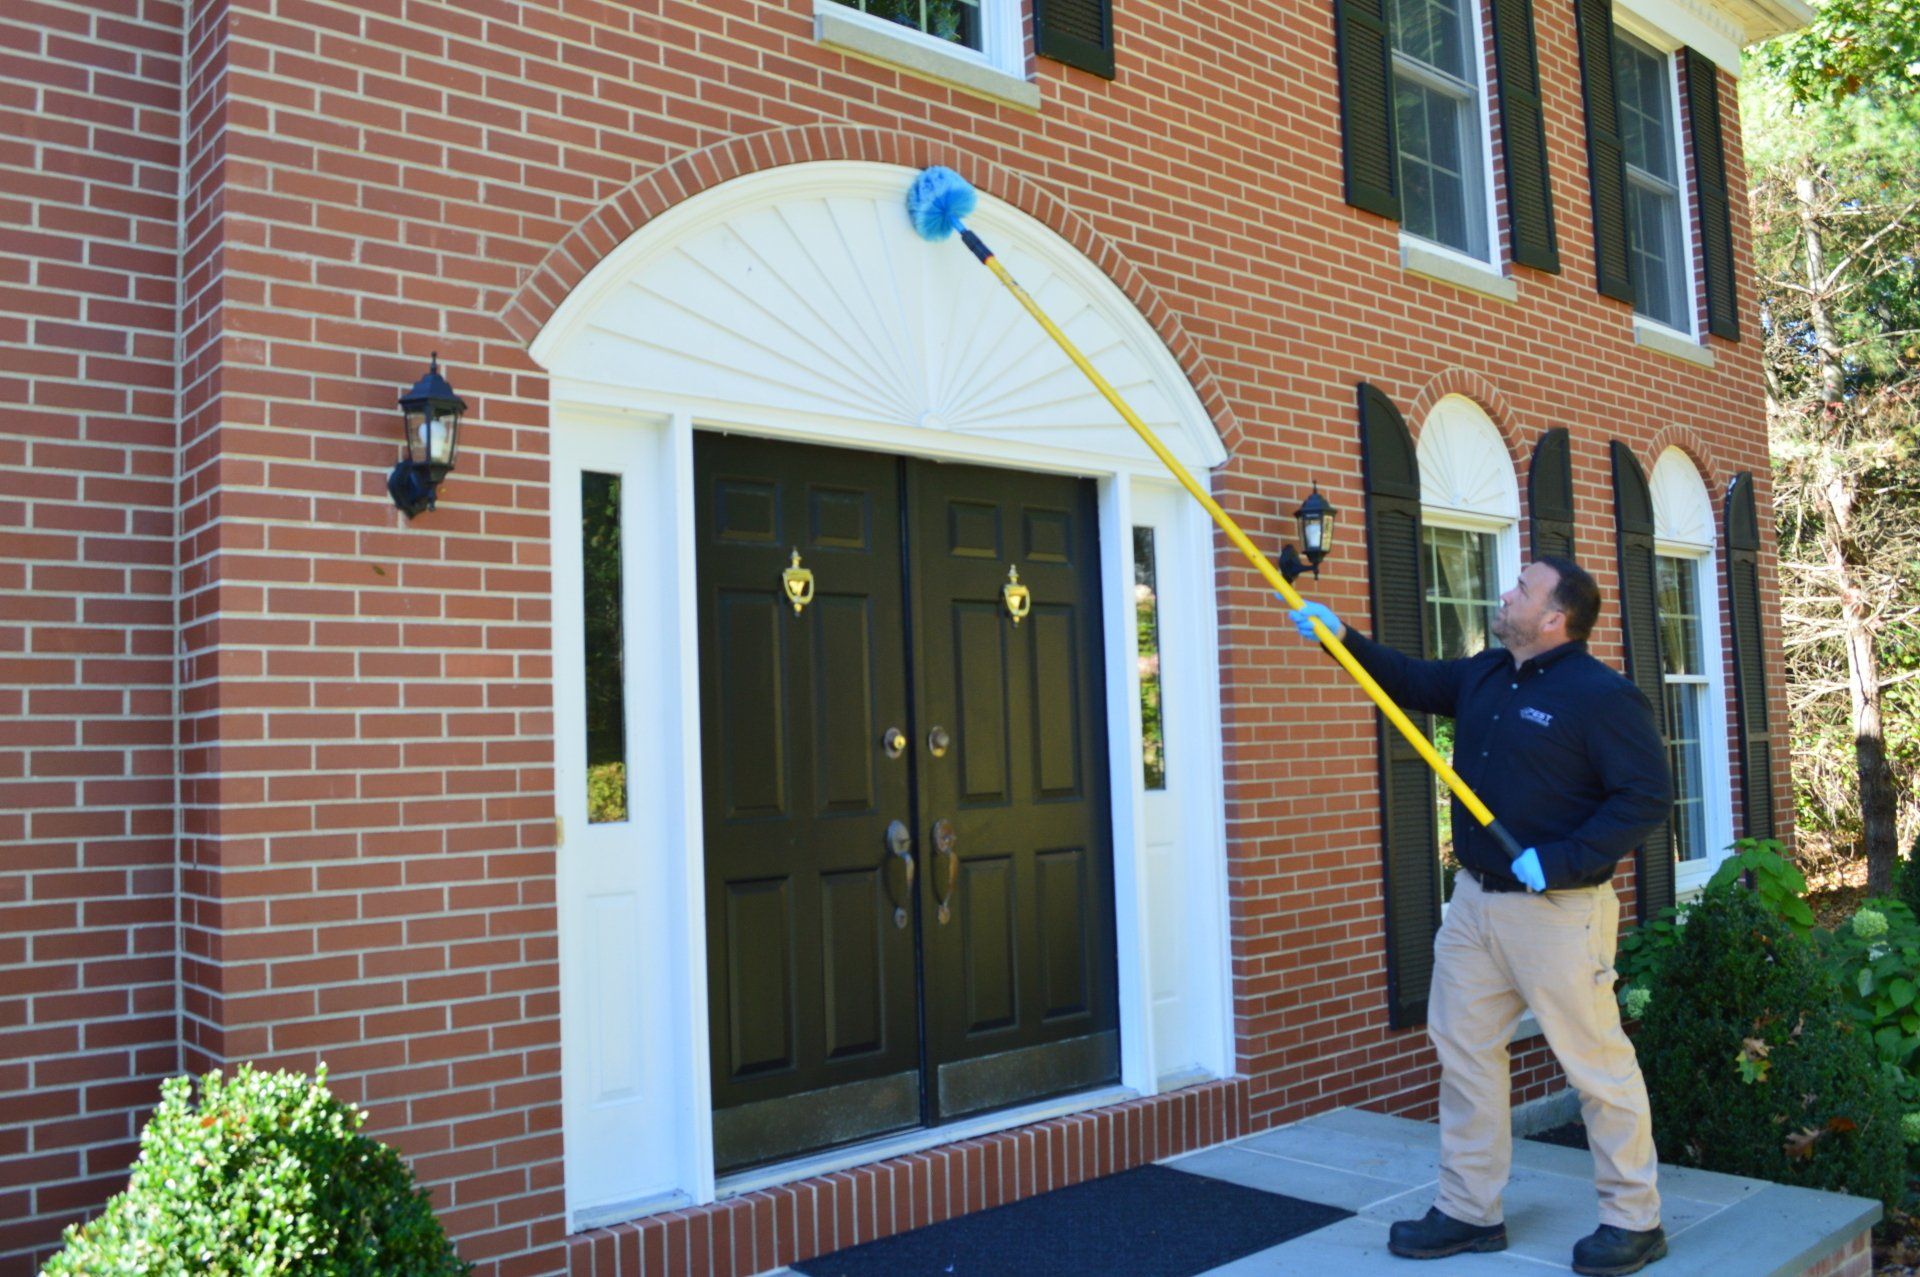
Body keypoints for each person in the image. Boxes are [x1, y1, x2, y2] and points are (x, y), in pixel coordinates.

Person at [1290, 556, 1673, 1277]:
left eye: (1523, 589)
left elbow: (1645, 797)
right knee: (1465, 1053)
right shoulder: (1487, 674)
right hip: (1474, 905)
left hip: (1557, 909)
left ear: (1556, 617)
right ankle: (1470, 1210)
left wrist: (1559, 858)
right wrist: (1339, 636)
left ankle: (1634, 1217)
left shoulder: (1602, 695)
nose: (1507, 593)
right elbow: (1406, 679)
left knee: (1597, 1067)